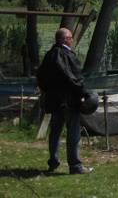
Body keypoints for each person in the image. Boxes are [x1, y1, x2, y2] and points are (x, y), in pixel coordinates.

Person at [36, 28, 93, 174]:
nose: (72, 40)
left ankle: (53, 164)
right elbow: (72, 78)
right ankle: (75, 166)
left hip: (54, 101)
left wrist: (50, 92)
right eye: (70, 37)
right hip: (68, 101)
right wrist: (85, 93)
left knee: (55, 132)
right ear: (64, 39)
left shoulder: (49, 55)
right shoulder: (64, 55)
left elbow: (40, 77)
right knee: (73, 133)